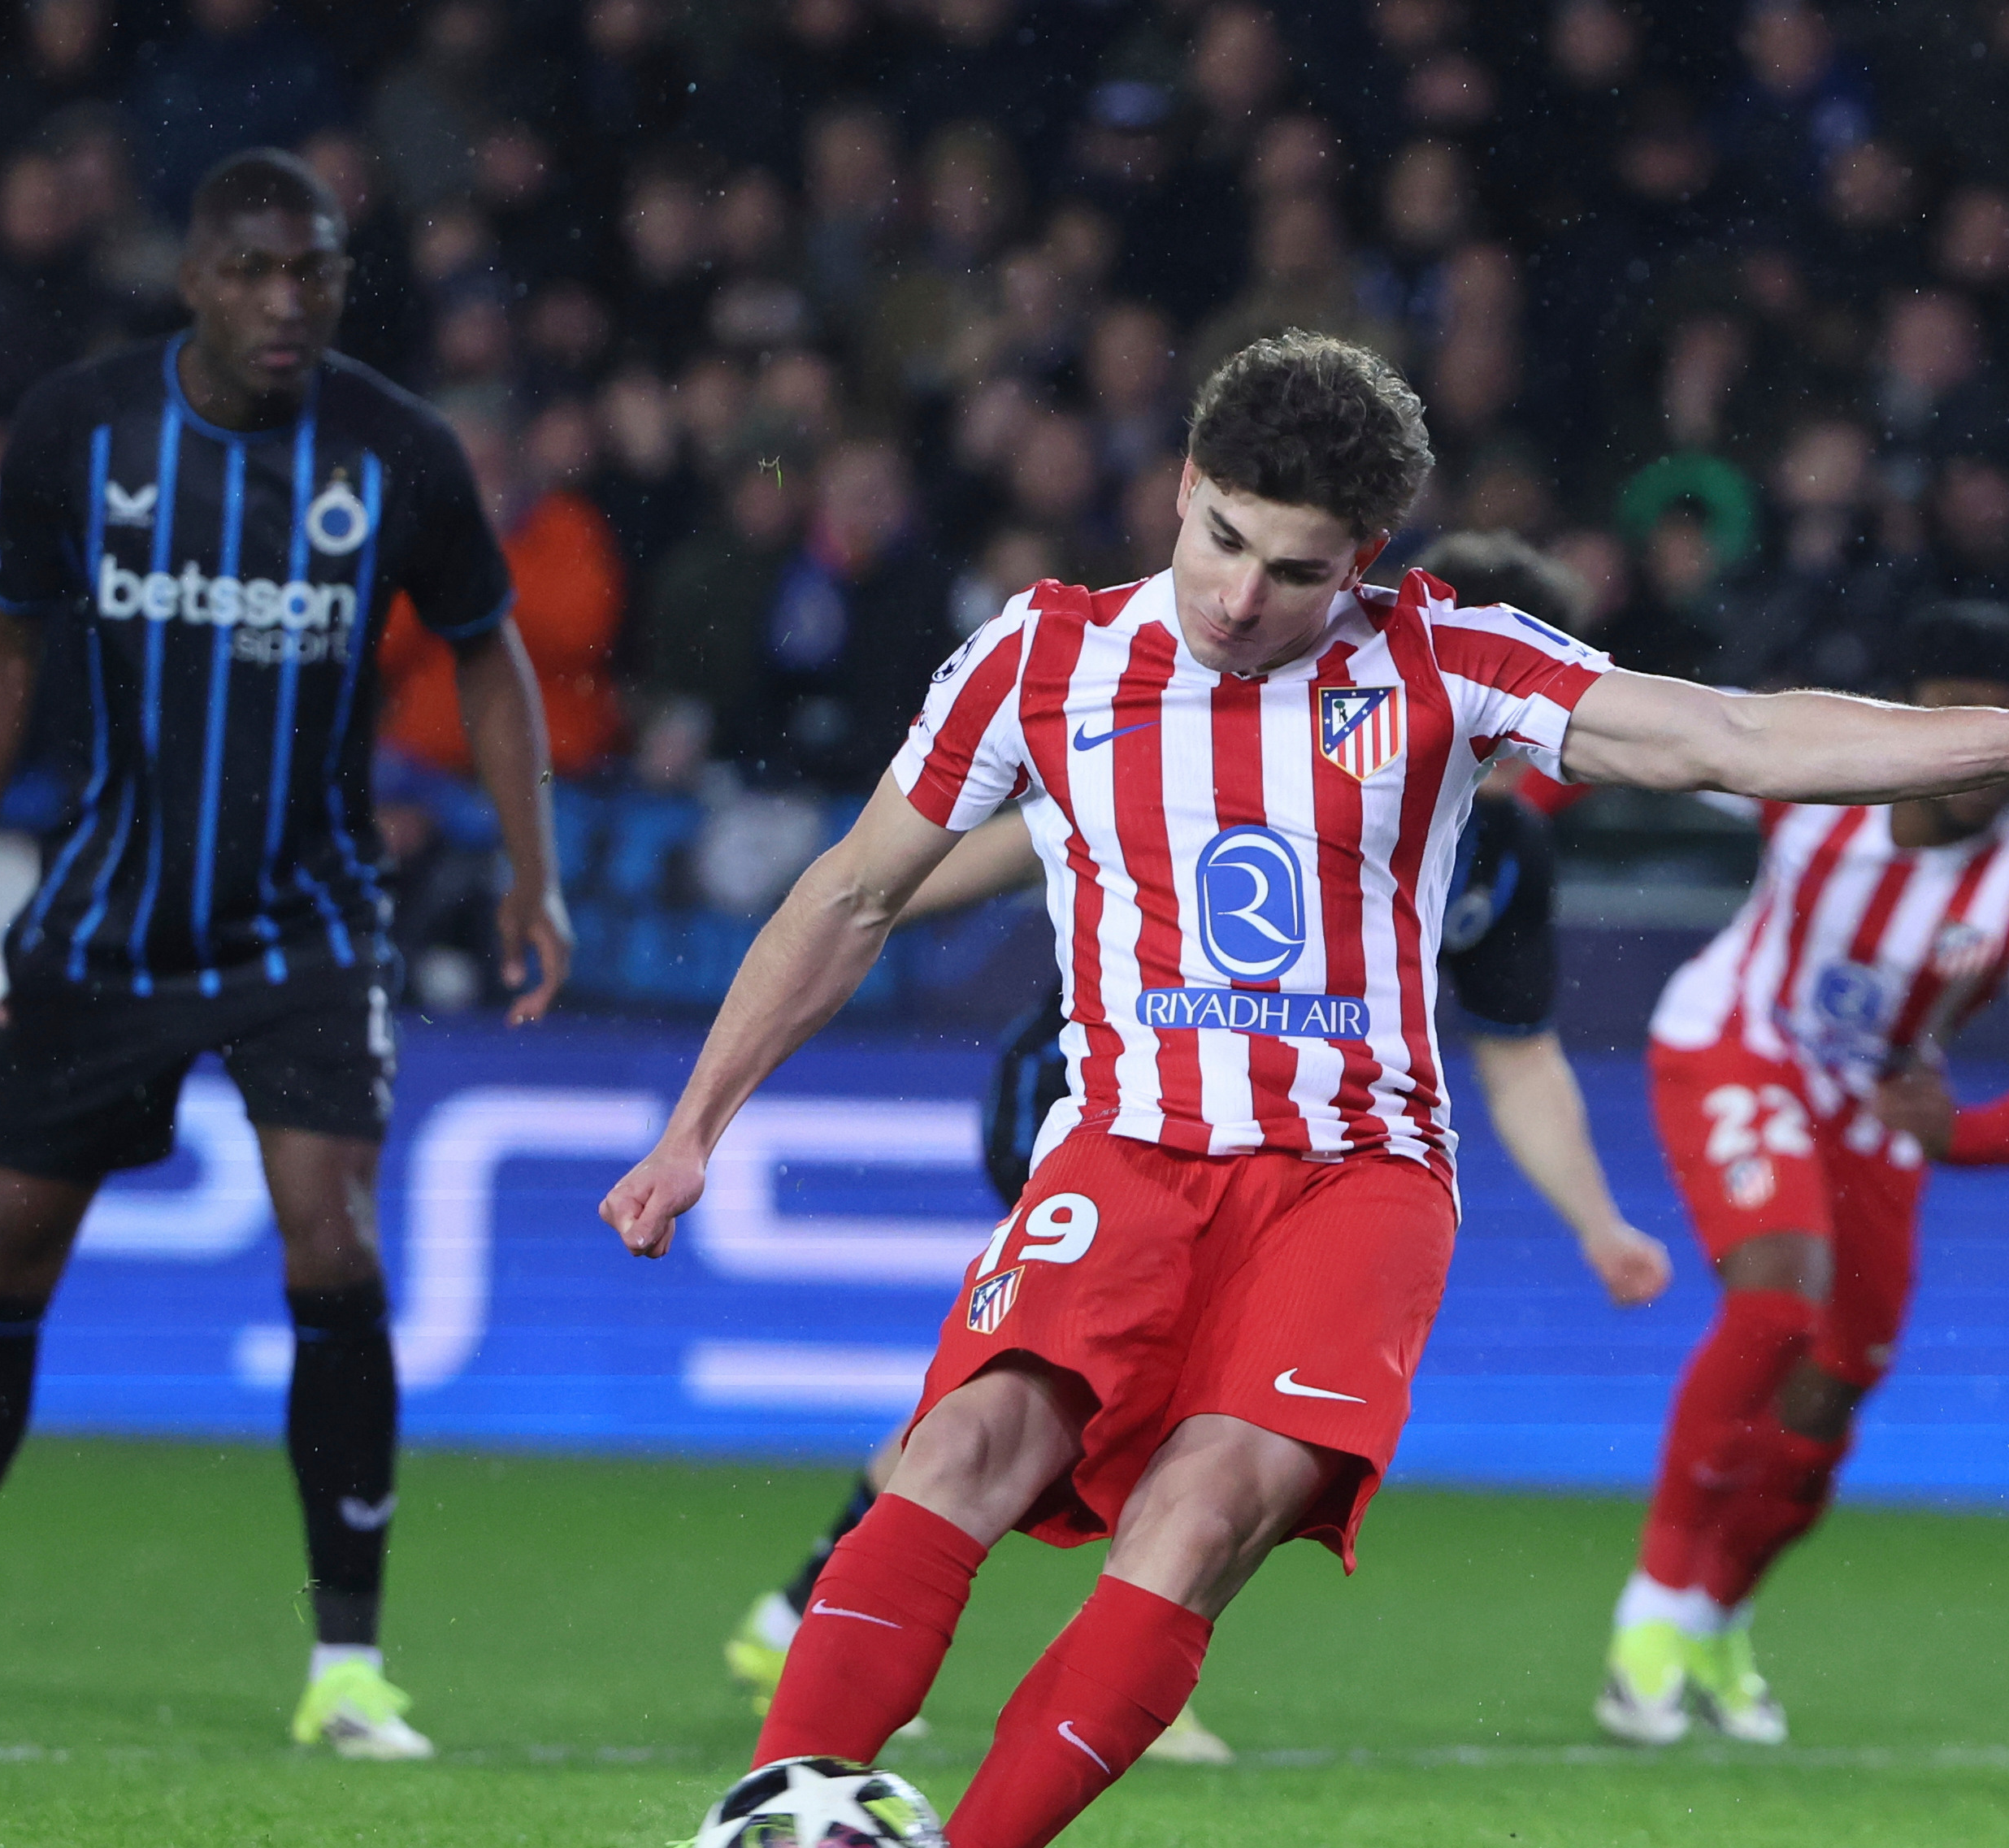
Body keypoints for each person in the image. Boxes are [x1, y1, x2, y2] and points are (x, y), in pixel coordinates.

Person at [571, 333, 2009, 1848]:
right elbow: (851, 894)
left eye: (1292, 572)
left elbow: (1721, 731)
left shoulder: (1444, 662)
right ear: (1181, 491)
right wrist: (696, 1121)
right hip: (1125, 1146)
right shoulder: (1039, 656)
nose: (1234, 599)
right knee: (964, 1445)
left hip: (1352, 1181)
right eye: (1218, 540)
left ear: (1363, 559)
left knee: (1201, 1516)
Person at [0, 150, 571, 1757]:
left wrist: (536, 873)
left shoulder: (397, 450)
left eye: (312, 272)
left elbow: (489, 652)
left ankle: (347, 1671)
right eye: (253, 270)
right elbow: (2, 637)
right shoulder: (80, 429)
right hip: (111, 915)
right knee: (2, 1252)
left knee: (334, 1246)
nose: (284, 303)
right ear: (191, 275)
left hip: (309, 916)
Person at [719, 530, 1680, 1767]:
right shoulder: (1237, 717)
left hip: (1287, 1144)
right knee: (1072, 1382)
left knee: (1071, 1395)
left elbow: (1519, 1050)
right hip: (1096, 1101)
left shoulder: (1499, 851)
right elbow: (1032, 823)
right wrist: (873, 896)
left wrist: (1596, 1221)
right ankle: (936, 1626)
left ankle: (843, 1604)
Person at [1595, 601, 2009, 1746]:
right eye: (1952, 721)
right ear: (1906, 719)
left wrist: (1952, 1131)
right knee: (1779, 1294)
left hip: (1881, 1103)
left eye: (2003, 727)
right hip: (1736, 1036)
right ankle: (1649, 1614)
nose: (1977, 754)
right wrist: (1502, 790)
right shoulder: (1818, 769)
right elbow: (1636, 747)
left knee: (1826, 1403)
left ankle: (1716, 1619)